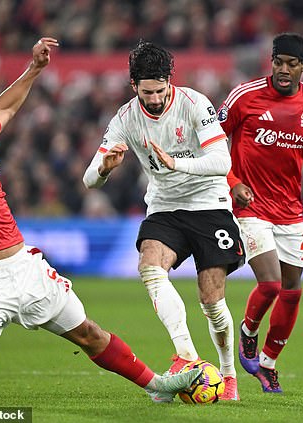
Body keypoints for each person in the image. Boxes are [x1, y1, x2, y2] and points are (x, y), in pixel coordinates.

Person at [0, 37, 201, 404]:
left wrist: (34, 68)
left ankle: (155, 386)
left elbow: (4, 108)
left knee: (89, 334)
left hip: (24, 266)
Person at [83, 40, 244, 401]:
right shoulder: (125, 118)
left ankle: (229, 374)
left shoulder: (194, 104)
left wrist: (177, 163)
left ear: (170, 82)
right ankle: (186, 358)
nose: (154, 99)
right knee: (150, 265)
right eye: (146, 92)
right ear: (133, 86)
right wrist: (105, 170)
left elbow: (222, 162)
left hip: (209, 204)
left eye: (159, 90)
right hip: (164, 208)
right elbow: (88, 179)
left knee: (211, 300)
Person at [217, 33, 303, 393]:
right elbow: (212, 146)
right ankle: (248, 331)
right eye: (278, 62)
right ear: (271, 62)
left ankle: (268, 364)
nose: (283, 70)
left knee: (292, 289)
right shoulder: (243, 97)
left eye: (292, 64)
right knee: (272, 282)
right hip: (249, 206)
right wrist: (232, 183)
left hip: (290, 210)